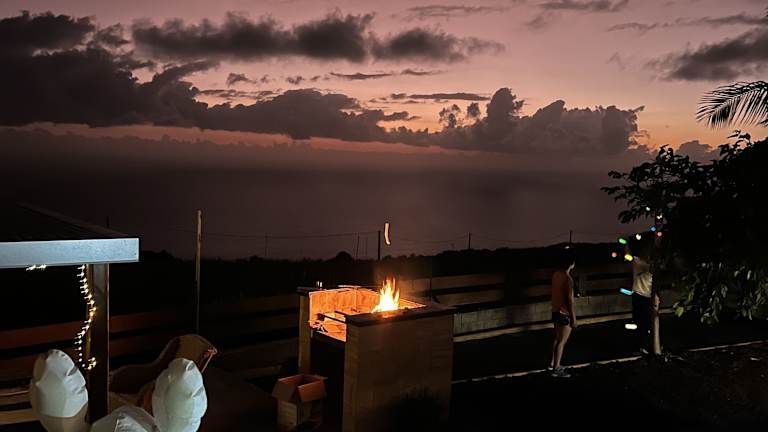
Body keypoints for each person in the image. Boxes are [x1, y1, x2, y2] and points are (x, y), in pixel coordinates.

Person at [550, 247, 577, 378]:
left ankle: (552, 363)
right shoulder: (568, 279)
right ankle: (557, 368)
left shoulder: (556, 275)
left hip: (555, 311)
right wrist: (574, 318)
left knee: (557, 339)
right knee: (562, 341)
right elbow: (570, 301)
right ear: (571, 263)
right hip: (564, 313)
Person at [627, 239, 653, 354]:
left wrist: (626, 244)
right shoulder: (644, 263)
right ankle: (644, 346)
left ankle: (643, 346)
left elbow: (628, 255)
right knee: (643, 323)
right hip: (643, 295)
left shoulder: (638, 262)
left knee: (642, 322)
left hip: (642, 296)